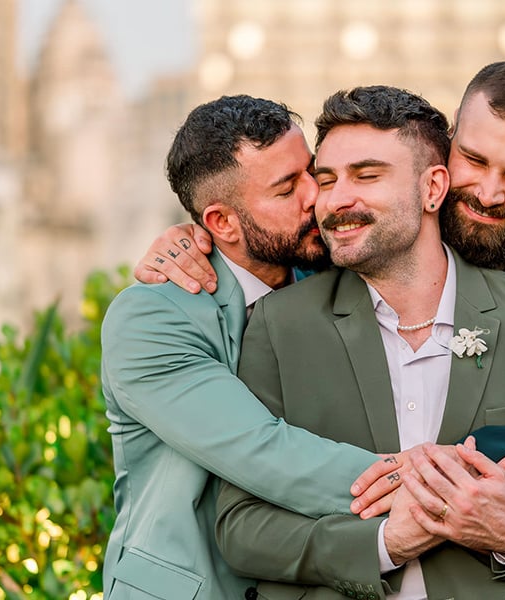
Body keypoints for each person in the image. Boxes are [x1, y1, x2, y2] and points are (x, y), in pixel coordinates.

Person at [134, 61, 505, 599]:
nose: (485, 191)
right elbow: (290, 236)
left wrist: (466, 472)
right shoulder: (309, 291)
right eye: (475, 160)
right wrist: (200, 235)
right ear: (450, 151)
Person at [100, 95, 407, 599]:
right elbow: (263, 450)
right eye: (287, 189)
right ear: (221, 223)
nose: (317, 196)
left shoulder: (332, 271)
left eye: (310, 171)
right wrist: (424, 485)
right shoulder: (150, 318)